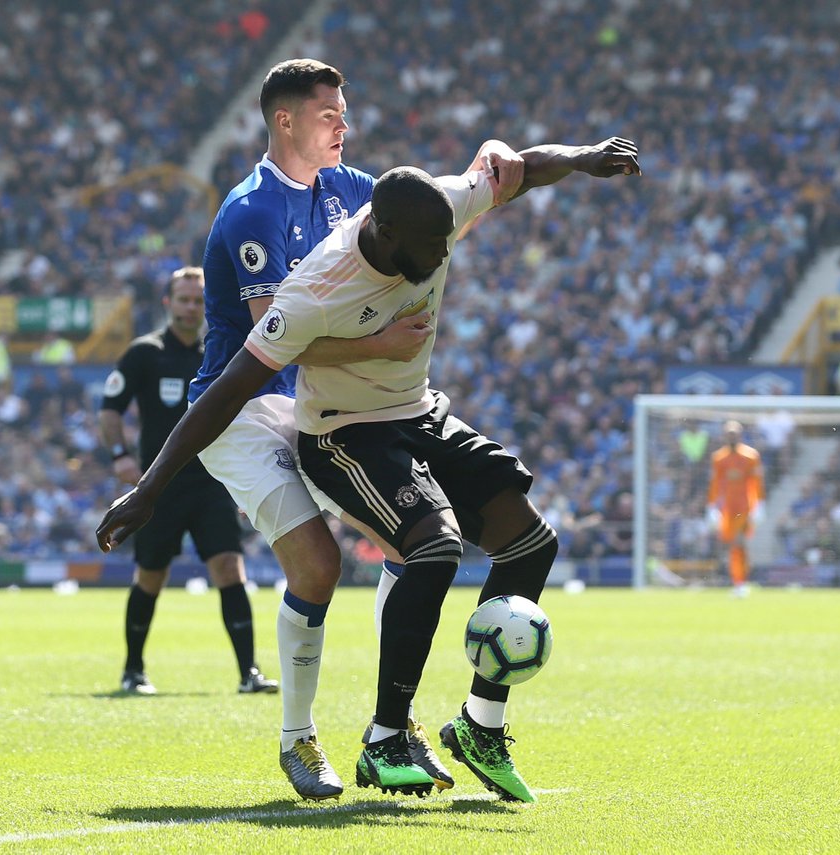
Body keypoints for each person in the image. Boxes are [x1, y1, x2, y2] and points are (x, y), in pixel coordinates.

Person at [97, 140, 642, 802]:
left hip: (419, 412)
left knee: (531, 541)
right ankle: (386, 735)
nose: (444, 254)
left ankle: (480, 724)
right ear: (384, 234)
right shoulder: (316, 287)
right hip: (342, 435)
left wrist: (584, 158)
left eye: (447, 239)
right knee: (434, 549)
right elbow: (229, 388)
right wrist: (147, 487)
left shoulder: (438, 208)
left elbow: (518, 169)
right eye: (430, 246)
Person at [150, 58, 524, 800]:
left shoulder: (350, 189)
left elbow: (416, 210)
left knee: (413, 541)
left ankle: (393, 728)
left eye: (345, 113)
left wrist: (501, 163)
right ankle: (297, 739)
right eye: (329, 114)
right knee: (318, 566)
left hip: (318, 406)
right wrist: (380, 346)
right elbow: (270, 343)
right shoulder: (251, 211)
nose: (343, 125)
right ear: (285, 121)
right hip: (244, 411)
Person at [98, 266, 277, 696]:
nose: (191, 306)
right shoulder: (144, 353)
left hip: (212, 480)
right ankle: (133, 670)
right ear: (168, 303)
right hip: (158, 488)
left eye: (198, 300)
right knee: (151, 576)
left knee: (230, 569)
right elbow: (109, 409)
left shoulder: (219, 349)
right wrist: (120, 456)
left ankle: (248, 673)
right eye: (183, 299)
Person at [707, 420, 765, 595]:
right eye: (729, 434)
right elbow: (715, 484)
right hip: (727, 509)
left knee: (737, 542)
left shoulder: (750, 457)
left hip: (744, 507)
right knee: (731, 545)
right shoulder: (719, 458)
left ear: (740, 435)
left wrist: (759, 504)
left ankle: (740, 582)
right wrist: (711, 505)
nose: (732, 437)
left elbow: (756, 482)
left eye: (735, 434)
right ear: (724, 436)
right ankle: (737, 580)